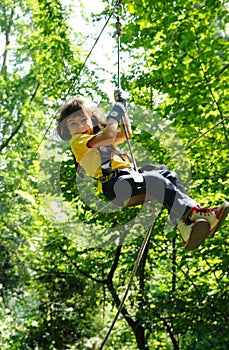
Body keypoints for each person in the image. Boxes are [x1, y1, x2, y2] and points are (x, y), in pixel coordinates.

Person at [56, 91, 229, 251]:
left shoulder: (97, 138)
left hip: (128, 179)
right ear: (67, 130)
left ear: (91, 120)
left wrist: (123, 109)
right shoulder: (78, 141)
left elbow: (125, 133)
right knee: (155, 180)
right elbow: (109, 135)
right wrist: (115, 112)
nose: (79, 126)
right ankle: (196, 212)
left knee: (170, 176)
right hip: (115, 185)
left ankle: (184, 226)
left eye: (83, 120)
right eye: (73, 123)